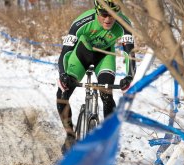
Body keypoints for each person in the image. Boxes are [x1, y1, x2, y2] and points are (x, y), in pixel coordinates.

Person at [57, 0, 136, 154]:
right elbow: (65, 53)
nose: (108, 19)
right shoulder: (82, 22)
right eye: (104, 14)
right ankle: (70, 136)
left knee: (106, 94)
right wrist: (62, 74)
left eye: (112, 15)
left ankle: (106, 139)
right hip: (81, 55)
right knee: (62, 94)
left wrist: (129, 76)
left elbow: (130, 54)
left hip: (104, 57)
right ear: (96, 11)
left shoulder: (124, 24)